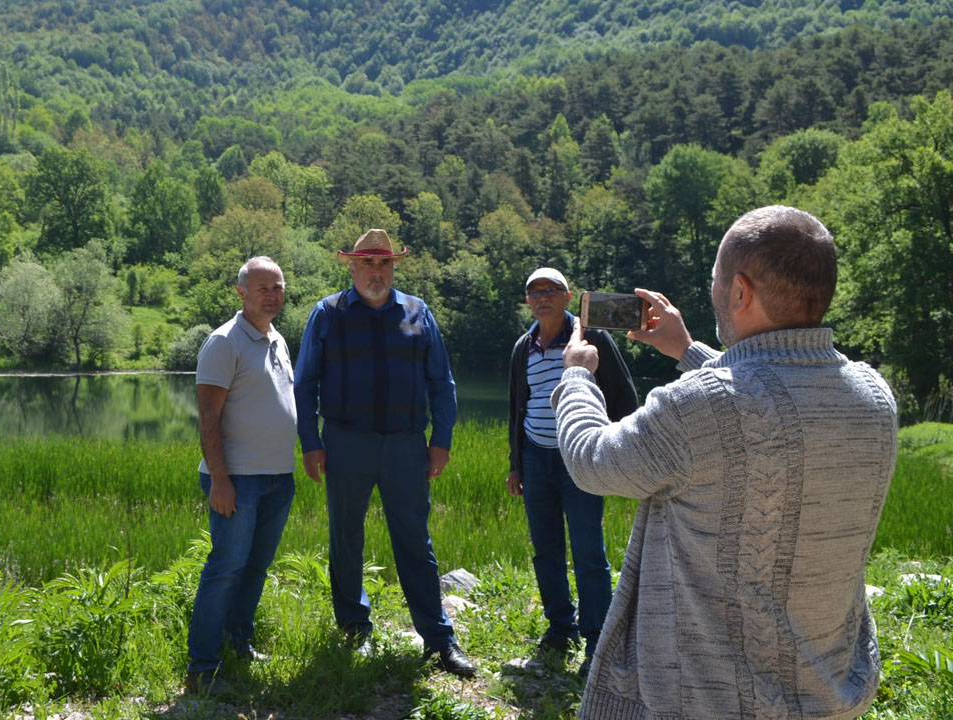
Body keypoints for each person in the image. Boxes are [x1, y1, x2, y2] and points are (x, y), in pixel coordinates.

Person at [554, 206, 897, 719]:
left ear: (739, 291)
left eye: (714, 278)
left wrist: (578, 377)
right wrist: (687, 349)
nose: (712, 288)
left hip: (707, 701)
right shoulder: (874, 397)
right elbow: (771, 402)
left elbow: (592, 461)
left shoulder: (697, 407)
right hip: (830, 692)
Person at [294, 228, 475, 678]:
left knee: (415, 541)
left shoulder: (418, 311)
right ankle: (355, 630)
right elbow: (305, 383)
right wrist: (311, 442)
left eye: (385, 263)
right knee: (346, 538)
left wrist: (441, 440)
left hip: (405, 445)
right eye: (368, 263)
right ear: (351, 267)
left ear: (394, 267)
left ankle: (439, 640)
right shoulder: (328, 313)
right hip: (345, 442)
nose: (377, 271)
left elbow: (442, 383)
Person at [505, 268, 637, 675]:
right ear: (527, 301)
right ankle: (560, 628)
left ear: (567, 297)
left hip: (579, 457)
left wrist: (614, 451)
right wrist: (515, 464)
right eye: (535, 291)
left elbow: (624, 397)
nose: (543, 297)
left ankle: (596, 639)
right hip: (535, 457)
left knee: (588, 552)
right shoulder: (523, 347)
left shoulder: (591, 339)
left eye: (552, 290)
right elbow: (517, 408)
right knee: (545, 549)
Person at [186, 256, 298, 697]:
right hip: (238, 480)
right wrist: (220, 479)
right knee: (225, 569)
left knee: (255, 566)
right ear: (241, 293)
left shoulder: (277, 338)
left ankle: (238, 642)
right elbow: (208, 417)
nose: (272, 295)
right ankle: (202, 667)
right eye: (263, 288)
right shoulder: (223, 341)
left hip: (278, 478)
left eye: (278, 287)